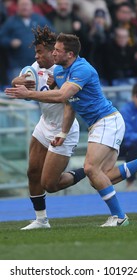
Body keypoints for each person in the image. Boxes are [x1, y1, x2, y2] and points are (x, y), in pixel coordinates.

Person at [5, 33, 137, 227]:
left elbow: (63, 96)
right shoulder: (59, 71)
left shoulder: (82, 69)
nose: (53, 53)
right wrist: (62, 132)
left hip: (107, 120)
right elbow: (69, 105)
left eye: (57, 50)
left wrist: (30, 94)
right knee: (101, 177)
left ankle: (119, 217)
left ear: (69, 54)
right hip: (94, 124)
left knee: (91, 169)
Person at [11, 27, 86, 230]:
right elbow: (21, 80)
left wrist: (56, 85)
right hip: (44, 124)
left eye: (39, 52)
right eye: (35, 52)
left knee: (50, 185)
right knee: (32, 171)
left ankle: (85, 170)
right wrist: (19, 82)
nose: (36, 56)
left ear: (53, 51)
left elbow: (67, 100)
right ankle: (41, 220)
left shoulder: (67, 70)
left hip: (65, 128)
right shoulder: (36, 66)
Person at [0, 0, 53, 84]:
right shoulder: (11, 21)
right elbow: (1, 37)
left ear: (32, 7)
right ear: (18, 7)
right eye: (22, 5)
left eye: (26, 5)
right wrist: (10, 42)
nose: (24, 7)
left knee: (37, 89)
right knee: (18, 90)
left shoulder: (40, 19)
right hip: (17, 65)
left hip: (39, 65)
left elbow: (52, 34)